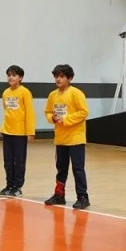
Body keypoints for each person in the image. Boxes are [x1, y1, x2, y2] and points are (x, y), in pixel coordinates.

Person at [43, 64, 90, 210]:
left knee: (78, 168)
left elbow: (83, 112)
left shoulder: (76, 93)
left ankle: (82, 197)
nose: (58, 79)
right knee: (61, 168)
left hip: (75, 138)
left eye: (62, 76)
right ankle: (59, 195)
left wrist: (66, 119)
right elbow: (47, 112)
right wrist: (52, 118)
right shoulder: (53, 95)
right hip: (61, 138)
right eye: (56, 76)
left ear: (69, 78)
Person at [0, 65, 35, 197]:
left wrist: (30, 132)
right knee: (8, 161)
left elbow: (30, 113)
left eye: (14, 75)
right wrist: (3, 128)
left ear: (20, 78)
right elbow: (6, 113)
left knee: (19, 161)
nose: (11, 77)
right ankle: (9, 184)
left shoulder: (25, 92)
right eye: (9, 75)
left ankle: (17, 186)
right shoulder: (5, 93)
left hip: (20, 133)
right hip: (7, 132)